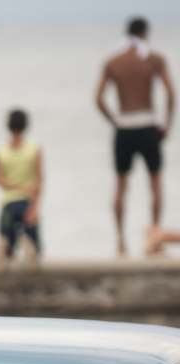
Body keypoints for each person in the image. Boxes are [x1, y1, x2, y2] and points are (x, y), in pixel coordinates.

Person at [96, 16, 175, 256]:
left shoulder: (113, 61)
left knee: (121, 185)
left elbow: (98, 98)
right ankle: (154, 237)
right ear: (145, 33)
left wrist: (115, 121)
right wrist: (167, 125)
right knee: (155, 183)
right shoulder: (154, 59)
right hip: (148, 125)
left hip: (124, 126)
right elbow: (171, 94)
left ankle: (120, 242)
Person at [0, 109, 43, 267]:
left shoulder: (0, 152)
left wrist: (17, 188)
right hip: (28, 203)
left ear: (8, 126)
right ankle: (28, 245)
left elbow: (0, 181)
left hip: (8, 204)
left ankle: (7, 245)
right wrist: (35, 207)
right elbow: (39, 180)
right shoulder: (34, 150)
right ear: (26, 126)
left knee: (8, 247)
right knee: (37, 250)